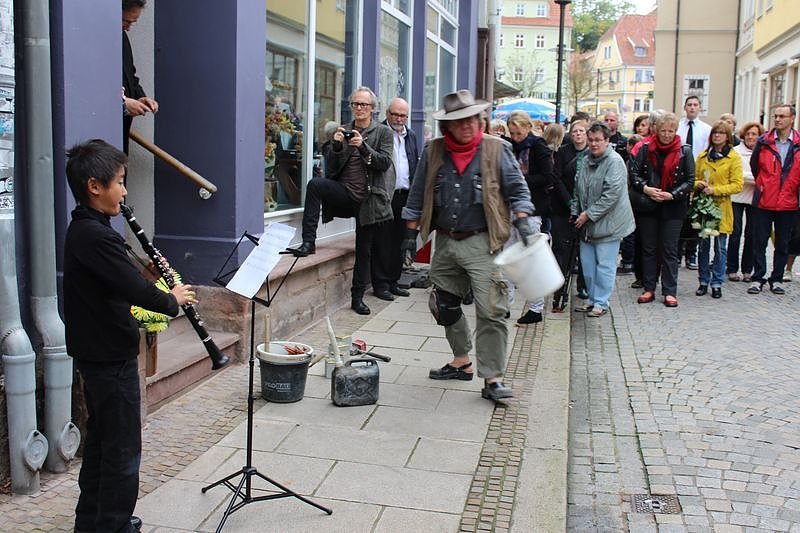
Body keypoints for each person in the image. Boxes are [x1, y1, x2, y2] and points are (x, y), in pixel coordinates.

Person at [63, 140, 195, 533]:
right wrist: (170, 298)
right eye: (119, 182)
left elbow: (119, 280)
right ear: (94, 186)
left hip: (100, 352)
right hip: (108, 357)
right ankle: (115, 525)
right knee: (121, 452)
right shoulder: (94, 235)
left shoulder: (91, 230)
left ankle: (93, 522)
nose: (123, 191)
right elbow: (133, 289)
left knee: (103, 445)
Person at [401, 89, 534, 401]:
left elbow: (518, 189)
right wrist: (409, 237)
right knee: (444, 307)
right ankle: (461, 362)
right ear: (447, 126)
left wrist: (524, 219)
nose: (468, 125)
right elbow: (418, 194)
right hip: (445, 242)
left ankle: (493, 379)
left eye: (472, 118)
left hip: (483, 243)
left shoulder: (496, 149)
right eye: (460, 120)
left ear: (480, 119)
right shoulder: (434, 151)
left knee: (491, 311)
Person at [287, 86, 394, 315]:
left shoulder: (383, 132)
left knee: (363, 250)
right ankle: (308, 242)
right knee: (315, 185)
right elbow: (332, 169)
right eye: (355, 104)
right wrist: (335, 147)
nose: (358, 108)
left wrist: (362, 146)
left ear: (373, 109)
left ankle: (357, 298)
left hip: (369, 199)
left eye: (363, 105)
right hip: (345, 193)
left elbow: (384, 163)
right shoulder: (343, 129)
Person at [630, 112, 695, 307]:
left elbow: (690, 180)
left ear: (676, 131)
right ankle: (649, 287)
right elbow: (634, 174)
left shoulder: (685, 151)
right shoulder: (646, 148)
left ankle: (669, 290)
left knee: (669, 249)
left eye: (671, 131)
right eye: (663, 130)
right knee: (648, 248)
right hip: (649, 204)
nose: (667, 135)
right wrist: (646, 188)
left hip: (673, 206)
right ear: (656, 130)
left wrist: (672, 194)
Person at [571, 122, 635, 317]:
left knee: (605, 266)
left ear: (607, 141)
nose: (593, 144)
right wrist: (575, 211)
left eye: (598, 140)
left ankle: (601, 302)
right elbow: (578, 189)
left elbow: (611, 195)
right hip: (587, 224)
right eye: (591, 140)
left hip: (609, 224)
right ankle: (591, 299)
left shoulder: (614, 162)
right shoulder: (585, 159)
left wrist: (588, 214)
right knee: (588, 266)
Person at [505, 110, 553, 324]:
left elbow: (547, 176)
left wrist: (520, 180)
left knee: (531, 259)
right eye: (512, 133)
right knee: (506, 257)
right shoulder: (508, 146)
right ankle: (504, 304)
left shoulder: (538, 146)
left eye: (518, 133)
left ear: (527, 128)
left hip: (532, 210)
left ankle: (536, 308)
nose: (515, 137)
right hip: (509, 208)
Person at [747, 103, 800, 295]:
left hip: (788, 201)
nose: (777, 119)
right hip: (765, 199)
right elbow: (755, 167)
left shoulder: (798, 143)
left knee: (783, 242)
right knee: (759, 240)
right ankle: (758, 277)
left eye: (782, 116)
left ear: (791, 119)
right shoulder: (764, 141)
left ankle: (777, 278)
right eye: (775, 116)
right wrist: (763, 184)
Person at [373, 97, 419, 300]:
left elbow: (414, 163)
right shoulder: (379, 133)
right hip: (385, 194)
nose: (399, 119)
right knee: (383, 241)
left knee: (401, 240)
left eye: (403, 115)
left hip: (405, 195)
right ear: (387, 114)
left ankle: (394, 281)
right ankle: (381, 284)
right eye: (395, 114)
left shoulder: (412, 136)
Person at [693, 121, 743, 299]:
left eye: (721, 133)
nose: (717, 136)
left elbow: (737, 185)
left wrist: (716, 190)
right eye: (715, 133)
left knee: (720, 247)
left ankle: (717, 282)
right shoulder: (703, 156)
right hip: (705, 208)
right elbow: (693, 178)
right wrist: (698, 184)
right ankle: (703, 281)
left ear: (727, 136)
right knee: (703, 247)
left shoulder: (733, 158)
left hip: (721, 207)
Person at [552, 118, 589, 304]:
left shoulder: (593, 153)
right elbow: (556, 178)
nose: (578, 134)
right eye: (575, 131)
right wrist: (568, 201)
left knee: (584, 249)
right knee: (561, 248)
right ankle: (559, 287)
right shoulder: (563, 152)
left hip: (586, 210)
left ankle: (583, 285)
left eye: (582, 131)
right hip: (563, 207)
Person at [676, 96, 711, 270]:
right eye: (689, 105)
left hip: (698, 175)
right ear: (685, 107)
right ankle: (677, 252)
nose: (692, 108)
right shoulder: (678, 128)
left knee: (696, 217)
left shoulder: (706, 129)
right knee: (680, 215)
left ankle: (691, 253)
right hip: (680, 175)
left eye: (695, 105)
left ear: (699, 108)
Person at [728, 121, 764, 282]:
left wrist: (755, 179)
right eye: (748, 134)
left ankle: (747, 270)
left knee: (752, 234)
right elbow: (737, 175)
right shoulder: (735, 152)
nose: (750, 137)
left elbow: (765, 175)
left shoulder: (764, 151)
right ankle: (732, 268)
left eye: (754, 134)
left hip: (755, 198)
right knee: (735, 233)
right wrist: (757, 179)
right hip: (736, 196)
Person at [122, 0, 158, 155]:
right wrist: (123, 104)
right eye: (125, 21)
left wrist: (140, 97)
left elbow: (130, 76)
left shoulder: (122, 38)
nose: (128, 28)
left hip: (121, 133)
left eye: (133, 23)